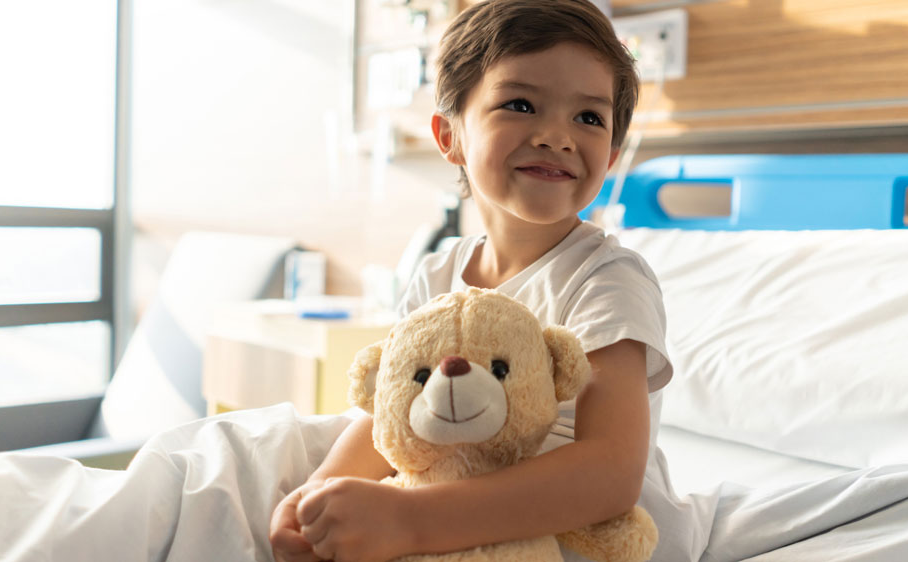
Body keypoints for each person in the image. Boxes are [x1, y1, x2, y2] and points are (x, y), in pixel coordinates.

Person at [269, 1, 680, 560]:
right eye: (520, 104)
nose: (558, 135)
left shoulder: (607, 279)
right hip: (449, 507)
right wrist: (316, 497)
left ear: (609, 157)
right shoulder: (438, 273)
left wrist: (408, 522)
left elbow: (610, 472)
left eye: (589, 117)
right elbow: (390, 417)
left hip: (578, 533)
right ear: (450, 136)